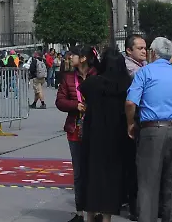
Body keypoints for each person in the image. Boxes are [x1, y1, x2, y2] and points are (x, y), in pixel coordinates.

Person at [125, 37, 172, 222]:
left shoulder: (145, 72)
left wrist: (130, 123)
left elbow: (131, 102)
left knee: (148, 183)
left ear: (153, 53)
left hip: (151, 129)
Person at [78, 48, 135, 222]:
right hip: (117, 136)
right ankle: (107, 216)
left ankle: (90, 215)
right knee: (112, 177)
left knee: (92, 174)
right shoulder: (127, 84)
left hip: (94, 134)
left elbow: (84, 89)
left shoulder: (93, 83)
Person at [58, 45, 97, 222]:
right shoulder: (68, 78)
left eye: (72, 55)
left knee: (95, 172)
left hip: (96, 129)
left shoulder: (97, 76)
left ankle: (96, 211)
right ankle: (80, 212)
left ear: (82, 58)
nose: (69, 57)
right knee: (79, 173)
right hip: (75, 129)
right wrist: (75, 105)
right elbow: (60, 101)